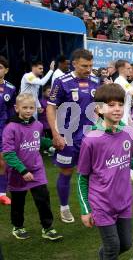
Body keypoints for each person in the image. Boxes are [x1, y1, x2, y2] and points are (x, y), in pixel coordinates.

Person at [77, 84, 133, 259]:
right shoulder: (91, 140)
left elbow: (127, 159)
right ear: (99, 109)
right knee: (112, 247)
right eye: (111, 104)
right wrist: (85, 209)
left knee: (125, 244)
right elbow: (82, 178)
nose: (117, 109)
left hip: (124, 201)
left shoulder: (127, 133)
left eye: (120, 104)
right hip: (101, 203)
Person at [47, 49, 100, 224]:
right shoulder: (61, 82)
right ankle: (64, 207)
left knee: (92, 173)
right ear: (74, 64)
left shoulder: (95, 80)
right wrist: (55, 133)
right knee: (67, 171)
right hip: (68, 137)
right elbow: (51, 107)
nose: (89, 69)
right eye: (85, 66)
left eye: (91, 65)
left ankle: (93, 207)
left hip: (90, 137)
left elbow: (98, 107)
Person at [2, 93, 63, 241]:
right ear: (17, 108)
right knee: (18, 202)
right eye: (25, 108)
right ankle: (18, 227)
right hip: (18, 173)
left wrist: (52, 143)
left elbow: (37, 139)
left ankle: (48, 228)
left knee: (43, 199)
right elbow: (8, 154)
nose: (29, 110)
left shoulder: (38, 125)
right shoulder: (10, 128)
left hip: (37, 170)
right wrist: (22, 170)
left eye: (31, 107)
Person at [0, 56, 16, 205]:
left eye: (0, 67)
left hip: (2, 129)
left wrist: (12, 127)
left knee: (3, 161)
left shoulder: (10, 88)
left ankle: (2, 193)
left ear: (6, 70)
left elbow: (11, 109)